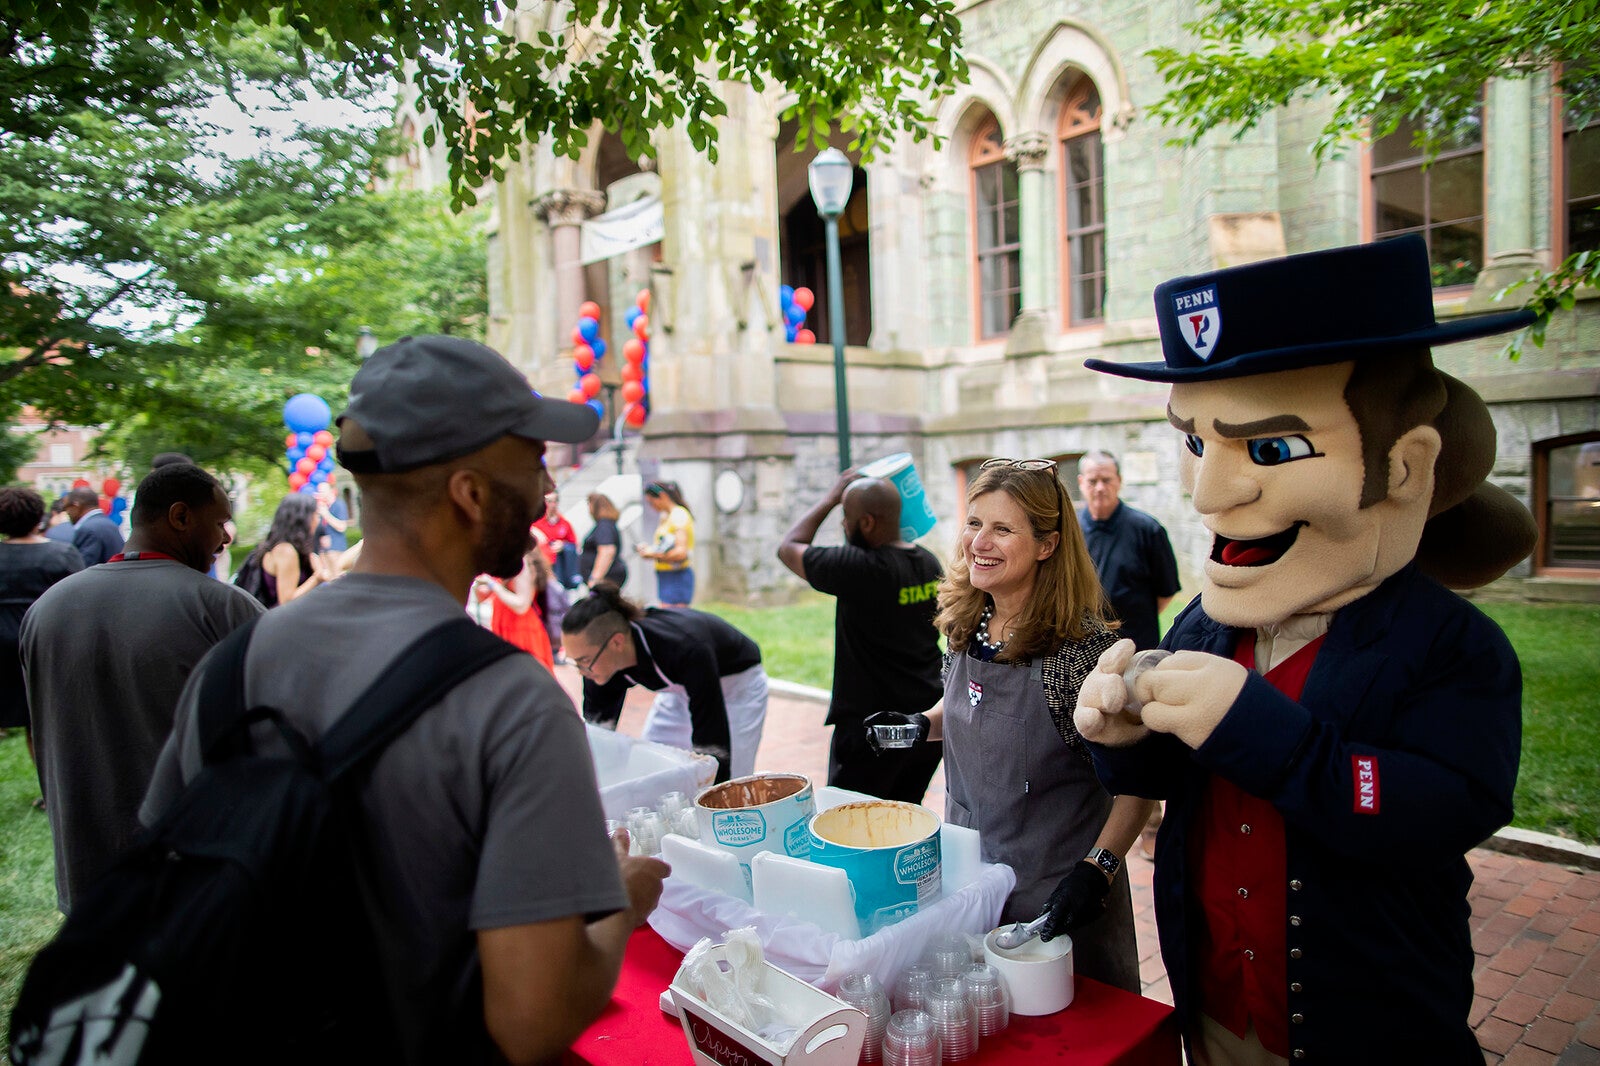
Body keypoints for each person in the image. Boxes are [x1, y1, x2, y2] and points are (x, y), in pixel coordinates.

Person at [141, 334, 668, 1065]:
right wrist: (621, 903)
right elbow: (533, 1021)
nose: (548, 493)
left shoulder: (232, 664)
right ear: (471, 494)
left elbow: (165, 881)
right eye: (533, 464)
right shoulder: (512, 701)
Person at [1074, 236, 1536, 1064]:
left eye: (1272, 448)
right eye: (1195, 443)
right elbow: (1180, 782)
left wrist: (1263, 730)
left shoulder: (1454, 647)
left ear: (1402, 466)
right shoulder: (1209, 624)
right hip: (1218, 1009)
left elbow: (1445, 809)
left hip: (1370, 1031)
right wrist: (1127, 746)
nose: (1211, 494)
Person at [865, 459, 1152, 992]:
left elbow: (1140, 787)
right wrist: (917, 725)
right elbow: (962, 709)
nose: (980, 541)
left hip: (1057, 906)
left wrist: (1098, 870)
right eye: (974, 523)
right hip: (972, 886)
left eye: (1002, 528)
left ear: (1046, 545)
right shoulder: (968, 621)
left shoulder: (1078, 654)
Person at [21, 463, 260, 912]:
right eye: (220, 521)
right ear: (180, 516)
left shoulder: (45, 610)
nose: (227, 537)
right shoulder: (222, 607)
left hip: (85, 877)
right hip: (193, 878)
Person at [777, 469, 944, 802]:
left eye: (846, 518)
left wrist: (829, 497)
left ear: (867, 523)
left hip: (872, 728)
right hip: (923, 724)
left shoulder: (857, 567)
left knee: (850, 820)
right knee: (906, 815)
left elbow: (789, 547)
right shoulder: (927, 562)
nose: (843, 525)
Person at [563, 583, 768, 783]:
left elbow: (713, 741)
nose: (581, 672)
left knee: (729, 779)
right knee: (653, 768)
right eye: (575, 662)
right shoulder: (600, 664)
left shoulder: (684, 647)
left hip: (736, 685)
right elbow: (599, 736)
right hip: (681, 688)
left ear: (617, 642)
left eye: (584, 661)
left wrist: (714, 791)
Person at [0, 487, 84, 793]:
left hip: (3, 647)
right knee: (48, 718)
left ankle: (49, 789)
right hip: (48, 641)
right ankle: (57, 790)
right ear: (39, 516)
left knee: (26, 719)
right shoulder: (61, 554)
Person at [1076, 450, 1181, 652]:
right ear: (1081, 482)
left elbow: (1165, 592)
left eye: (1106, 480)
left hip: (1136, 646)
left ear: (1119, 480)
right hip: (1082, 649)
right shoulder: (1069, 532)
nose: (1100, 488)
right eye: (1093, 481)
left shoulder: (1148, 530)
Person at [475, 536, 556, 672]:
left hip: (521, 630)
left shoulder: (522, 564)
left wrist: (492, 585)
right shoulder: (506, 563)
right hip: (504, 626)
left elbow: (521, 605)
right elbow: (482, 598)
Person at [246, 493, 329, 606]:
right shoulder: (286, 551)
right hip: (280, 621)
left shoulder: (289, 548)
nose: (318, 521)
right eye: (316, 515)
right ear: (303, 518)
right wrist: (317, 577)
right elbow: (286, 601)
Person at [637, 480, 694, 606]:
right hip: (666, 574)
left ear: (662, 496)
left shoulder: (678, 515)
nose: (652, 507)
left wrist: (652, 555)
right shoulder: (666, 516)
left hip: (676, 575)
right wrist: (651, 549)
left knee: (674, 617)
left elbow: (681, 553)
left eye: (652, 502)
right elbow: (666, 546)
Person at [62, 485, 123, 566]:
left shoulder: (88, 529)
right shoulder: (109, 523)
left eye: (66, 508)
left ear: (75, 506)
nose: (67, 512)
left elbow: (83, 568)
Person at [533, 487, 581, 590]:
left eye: (555, 501)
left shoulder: (564, 523)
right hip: (543, 566)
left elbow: (575, 544)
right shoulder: (536, 524)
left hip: (560, 566)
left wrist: (563, 545)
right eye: (549, 501)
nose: (552, 505)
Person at [580, 492, 628, 588]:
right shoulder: (606, 524)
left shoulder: (604, 526)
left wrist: (595, 578)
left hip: (605, 578)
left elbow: (607, 551)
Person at [315, 481, 351, 571]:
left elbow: (342, 526)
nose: (320, 493)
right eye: (319, 491)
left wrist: (325, 514)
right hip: (323, 550)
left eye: (323, 491)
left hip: (336, 548)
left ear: (331, 491)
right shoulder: (322, 507)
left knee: (337, 576)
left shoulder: (339, 505)